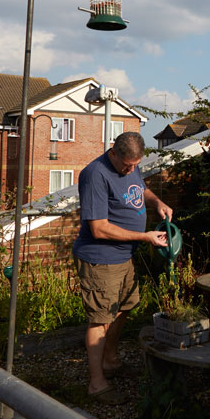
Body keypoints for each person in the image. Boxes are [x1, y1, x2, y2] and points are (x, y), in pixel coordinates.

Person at [73, 131, 172, 405]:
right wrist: (145, 237)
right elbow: (99, 228)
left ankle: (110, 360)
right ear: (113, 152)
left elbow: (140, 189)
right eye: (127, 165)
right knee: (100, 319)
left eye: (135, 165)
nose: (130, 170)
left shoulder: (130, 166)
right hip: (100, 258)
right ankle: (96, 384)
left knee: (125, 307)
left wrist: (157, 202)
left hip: (124, 256)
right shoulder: (95, 175)